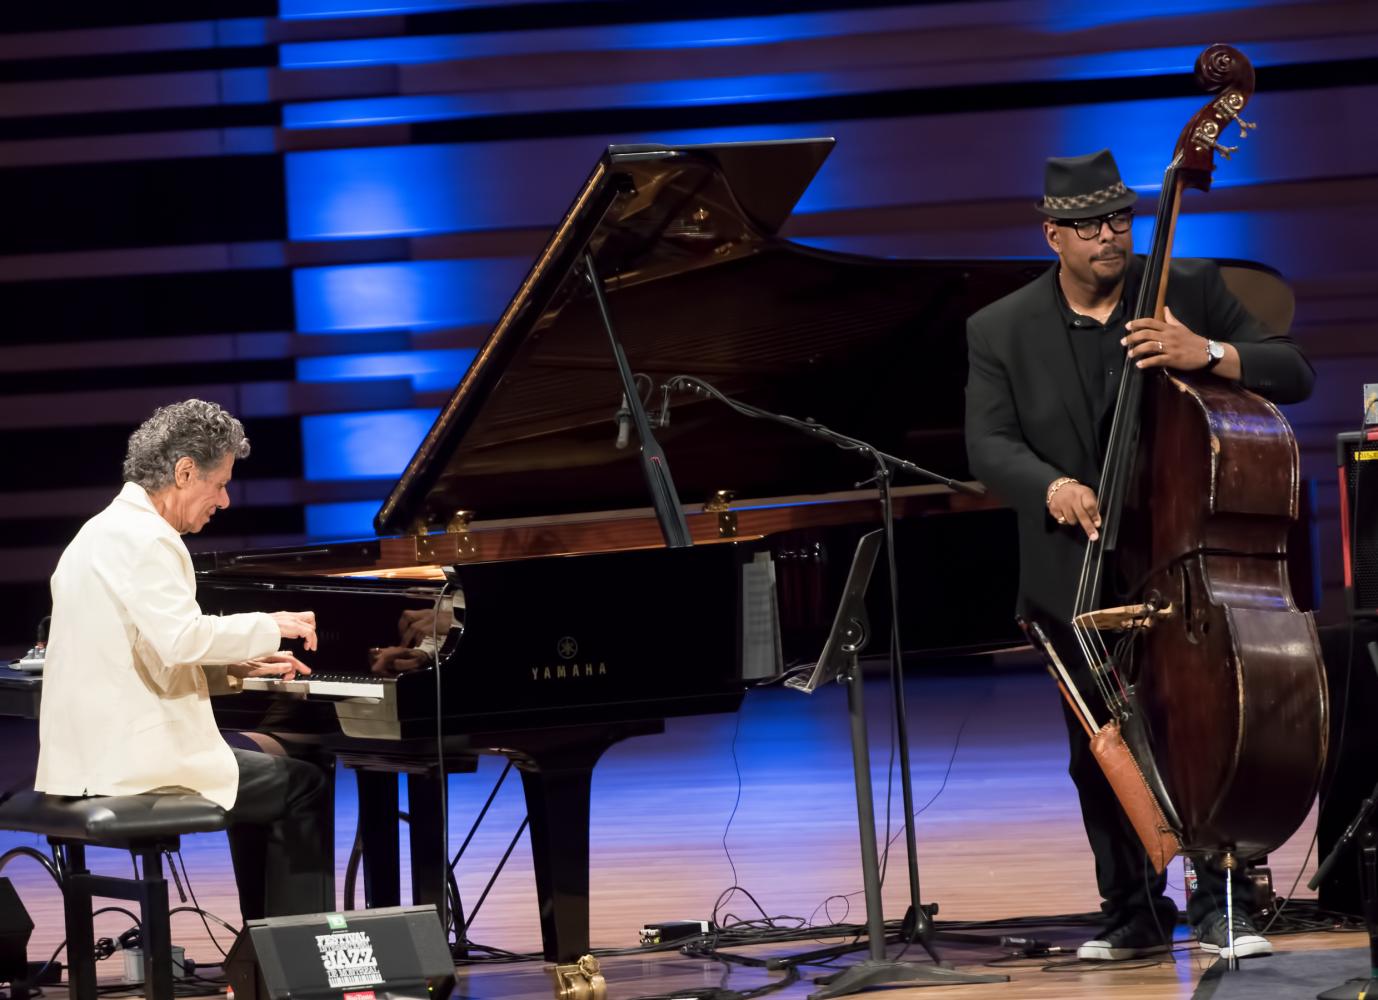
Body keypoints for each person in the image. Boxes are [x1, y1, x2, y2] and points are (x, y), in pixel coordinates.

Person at [964, 150, 1314, 962]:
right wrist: (1048, 484)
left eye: (1119, 218)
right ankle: (1132, 911)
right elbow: (988, 445)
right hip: (1077, 572)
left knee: (1210, 729)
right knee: (1102, 754)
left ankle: (1227, 900)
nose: (1109, 237)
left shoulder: (1186, 289)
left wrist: (1212, 354)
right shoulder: (999, 329)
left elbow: (1293, 370)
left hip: (1187, 564)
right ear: (1052, 233)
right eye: (1088, 225)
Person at [34, 398, 334, 920]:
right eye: (218, 483)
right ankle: (297, 963)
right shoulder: (151, 539)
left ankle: (265, 954)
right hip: (131, 765)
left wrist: (231, 668)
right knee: (301, 785)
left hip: (80, 761)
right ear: (184, 471)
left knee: (266, 779)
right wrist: (271, 625)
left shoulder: (95, 533)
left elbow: (144, 651)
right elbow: (180, 639)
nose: (224, 499)